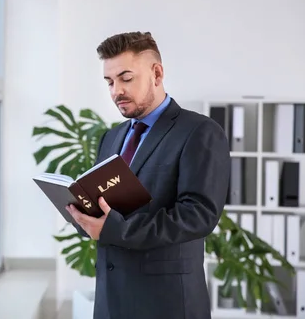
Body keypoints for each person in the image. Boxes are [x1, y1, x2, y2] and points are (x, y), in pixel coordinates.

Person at [66, 31, 231, 319]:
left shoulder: (199, 132)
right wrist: (83, 215)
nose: (116, 90)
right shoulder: (111, 138)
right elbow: (105, 210)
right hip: (110, 303)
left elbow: (198, 216)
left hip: (166, 304)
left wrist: (114, 228)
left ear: (156, 73)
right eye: (110, 82)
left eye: (126, 78)